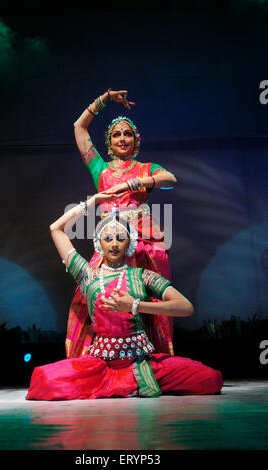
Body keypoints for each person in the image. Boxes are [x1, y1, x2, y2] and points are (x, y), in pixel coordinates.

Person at [26, 193, 223, 400]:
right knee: (44, 380)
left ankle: (134, 383)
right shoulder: (88, 275)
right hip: (101, 364)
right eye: (108, 238)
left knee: (210, 379)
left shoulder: (142, 276)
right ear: (98, 242)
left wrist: (136, 305)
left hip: (143, 362)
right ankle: (123, 385)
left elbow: (185, 307)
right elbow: (55, 229)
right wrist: (92, 203)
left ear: (129, 242)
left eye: (120, 238)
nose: (114, 244)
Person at [66, 89, 177, 361]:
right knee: (88, 295)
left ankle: (152, 357)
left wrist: (137, 183)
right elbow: (79, 128)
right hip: (109, 247)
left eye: (127, 134)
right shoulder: (100, 170)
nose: (122, 138)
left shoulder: (146, 168)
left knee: (150, 299)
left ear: (135, 140)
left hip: (144, 247)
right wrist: (103, 100)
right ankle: (92, 359)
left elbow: (170, 178)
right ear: (109, 141)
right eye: (116, 134)